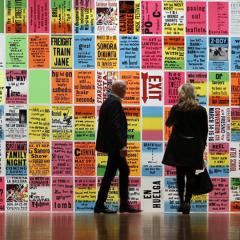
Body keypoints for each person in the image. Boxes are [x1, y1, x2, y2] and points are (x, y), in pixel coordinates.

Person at [94, 80, 141, 214]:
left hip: (112, 145)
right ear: (119, 89)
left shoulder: (109, 102)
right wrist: (122, 146)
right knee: (116, 173)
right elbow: (116, 126)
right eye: (125, 89)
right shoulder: (114, 103)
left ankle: (106, 204)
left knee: (117, 172)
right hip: (115, 146)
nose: (126, 91)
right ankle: (107, 205)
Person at [162, 83, 208, 214]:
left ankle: (182, 202)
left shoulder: (176, 108)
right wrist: (202, 146)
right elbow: (204, 131)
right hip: (194, 147)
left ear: (182, 94)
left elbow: (168, 123)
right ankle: (188, 202)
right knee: (191, 175)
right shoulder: (201, 110)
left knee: (180, 175)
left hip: (179, 147)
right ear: (193, 93)